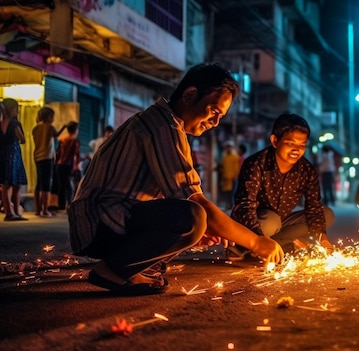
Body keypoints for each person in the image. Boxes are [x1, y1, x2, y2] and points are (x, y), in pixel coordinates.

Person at [68, 63, 283, 295]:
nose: (215, 122)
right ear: (190, 95)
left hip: (106, 221)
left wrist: (192, 233)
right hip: (101, 223)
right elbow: (198, 203)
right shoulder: (163, 127)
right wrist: (256, 242)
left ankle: (135, 268)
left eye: (220, 117)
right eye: (214, 111)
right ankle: (113, 270)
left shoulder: (164, 124)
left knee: (193, 222)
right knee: (193, 215)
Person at [230, 113, 334, 259]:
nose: (296, 150)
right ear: (275, 141)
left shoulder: (306, 170)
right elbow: (245, 206)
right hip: (254, 223)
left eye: (302, 145)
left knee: (326, 214)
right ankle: (242, 247)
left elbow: (314, 207)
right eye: (290, 144)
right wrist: (259, 237)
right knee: (271, 221)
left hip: (281, 222)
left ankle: (275, 245)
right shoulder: (256, 164)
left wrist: (322, 239)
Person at [31, 107, 68, 217]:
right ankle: (45, 210)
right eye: (52, 117)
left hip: (37, 157)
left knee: (39, 184)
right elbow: (56, 135)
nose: (53, 119)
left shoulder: (35, 128)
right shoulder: (50, 127)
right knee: (46, 185)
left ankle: (38, 209)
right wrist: (63, 127)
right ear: (48, 117)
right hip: (47, 158)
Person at [0, 98, 28, 221]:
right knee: (16, 185)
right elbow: (22, 139)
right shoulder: (15, 123)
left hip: (2, 154)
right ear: (12, 110)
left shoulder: (0, 122)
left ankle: (9, 212)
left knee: (5, 185)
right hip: (13, 155)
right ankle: (15, 212)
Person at [55, 121, 80, 212]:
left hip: (59, 165)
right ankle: (69, 205)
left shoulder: (62, 139)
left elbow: (57, 153)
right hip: (69, 165)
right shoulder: (74, 140)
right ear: (75, 130)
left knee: (61, 186)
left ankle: (61, 206)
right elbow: (75, 155)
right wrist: (75, 167)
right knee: (69, 186)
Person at [218, 141, 240, 210]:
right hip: (226, 179)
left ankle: (232, 206)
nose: (228, 149)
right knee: (227, 193)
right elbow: (222, 167)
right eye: (227, 147)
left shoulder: (235, 157)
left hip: (233, 178)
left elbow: (237, 167)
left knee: (232, 193)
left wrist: (236, 176)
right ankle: (228, 205)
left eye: (229, 147)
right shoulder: (224, 158)